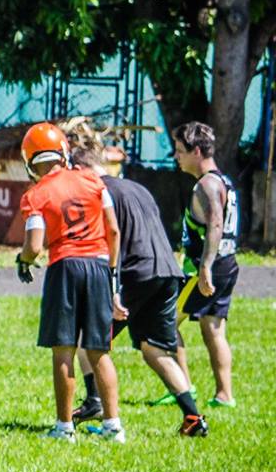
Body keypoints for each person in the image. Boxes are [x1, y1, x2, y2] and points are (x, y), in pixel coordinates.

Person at [68, 140, 208, 436]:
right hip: (167, 272)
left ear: (81, 170)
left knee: (87, 340)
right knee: (154, 349)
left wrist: (113, 288)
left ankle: (96, 403)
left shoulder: (98, 192)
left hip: (135, 274)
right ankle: (194, 418)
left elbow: (112, 239)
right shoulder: (137, 188)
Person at [15, 122, 126, 443]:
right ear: (63, 152)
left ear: (29, 161)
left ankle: (64, 428)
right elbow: (114, 230)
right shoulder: (92, 179)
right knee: (99, 350)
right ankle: (113, 425)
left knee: (63, 349)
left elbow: (34, 246)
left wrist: (23, 260)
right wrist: (111, 273)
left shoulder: (35, 195)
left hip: (64, 266)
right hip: (99, 265)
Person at [160, 122, 239, 409]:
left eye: (180, 151)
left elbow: (216, 223)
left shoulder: (206, 184)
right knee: (213, 329)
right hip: (228, 263)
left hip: (207, 267)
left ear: (196, 151)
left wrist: (204, 267)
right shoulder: (224, 181)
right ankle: (224, 394)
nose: (176, 157)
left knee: (166, 321)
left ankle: (183, 387)